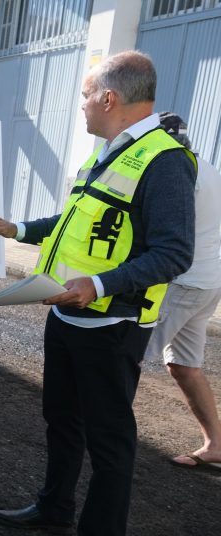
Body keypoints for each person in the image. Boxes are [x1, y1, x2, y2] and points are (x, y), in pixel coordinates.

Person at [0, 51, 196, 536]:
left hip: (112, 326)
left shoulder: (164, 161)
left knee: (110, 439)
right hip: (69, 316)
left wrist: (95, 286)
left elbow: (173, 253)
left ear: (108, 98)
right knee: (62, 420)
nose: (81, 107)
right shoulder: (114, 153)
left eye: (84, 96)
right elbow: (76, 221)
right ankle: (53, 507)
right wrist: (16, 229)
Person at [145, 113, 221, 468]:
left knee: (126, 357)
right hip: (208, 281)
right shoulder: (206, 167)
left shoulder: (177, 172)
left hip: (182, 281)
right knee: (185, 366)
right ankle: (216, 445)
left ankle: (102, 440)